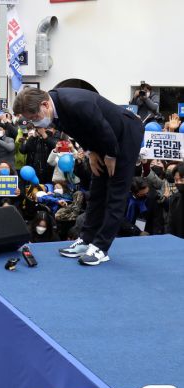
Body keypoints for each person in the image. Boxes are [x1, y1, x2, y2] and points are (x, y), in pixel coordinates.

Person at [14, 87, 144, 266]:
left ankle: (101, 247)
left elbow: (102, 127)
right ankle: (86, 239)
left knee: (116, 190)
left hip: (124, 134)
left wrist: (111, 155)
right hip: (102, 138)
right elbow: (79, 131)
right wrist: (90, 152)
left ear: (44, 104)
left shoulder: (76, 103)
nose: (35, 123)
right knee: (97, 188)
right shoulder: (54, 107)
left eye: (34, 117)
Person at [165, 163, 184, 238]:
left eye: (182, 180)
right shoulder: (174, 198)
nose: (178, 183)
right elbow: (170, 223)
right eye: (176, 180)